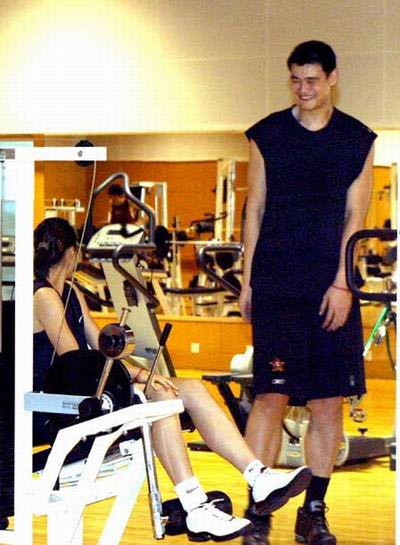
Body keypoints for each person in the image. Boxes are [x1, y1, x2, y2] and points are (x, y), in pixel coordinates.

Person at [33, 217, 311, 542]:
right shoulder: (43, 296)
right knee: (161, 397)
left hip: (88, 390)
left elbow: (100, 345)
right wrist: (140, 378)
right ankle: (195, 507)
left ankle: (258, 476)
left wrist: (145, 374)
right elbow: (76, 364)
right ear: (71, 253)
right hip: (62, 405)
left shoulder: (70, 292)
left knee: (190, 388)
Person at [239, 40, 376, 545]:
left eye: (312, 80)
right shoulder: (267, 135)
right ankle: (258, 509)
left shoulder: (357, 139)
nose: (303, 89)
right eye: (296, 79)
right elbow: (254, 210)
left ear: (333, 78)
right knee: (269, 397)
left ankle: (313, 511)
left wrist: (343, 282)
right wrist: (248, 279)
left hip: (329, 289)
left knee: (327, 402)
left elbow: (356, 218)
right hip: (276, 285)